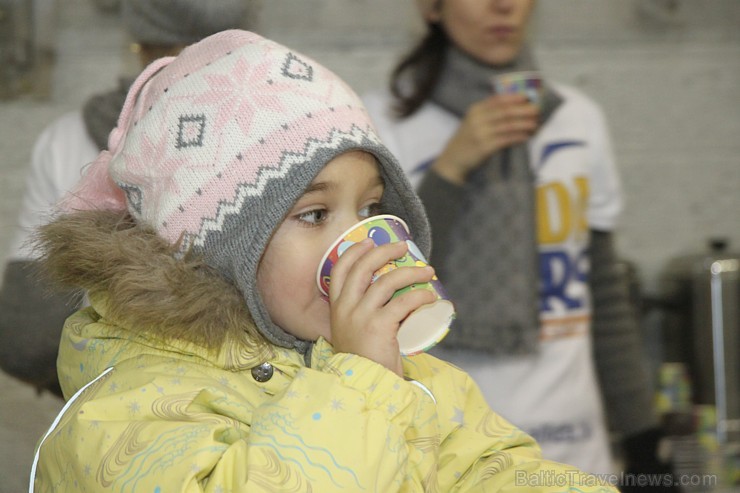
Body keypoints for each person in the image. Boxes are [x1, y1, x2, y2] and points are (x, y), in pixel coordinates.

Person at [29, 29, 619, 492]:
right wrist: (362, 385)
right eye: (315, 215)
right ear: (208, 248)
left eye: (368, 208)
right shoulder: (121, 416)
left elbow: (495, 471)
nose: (359, 242)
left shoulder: (410, 379)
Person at [362, 0, 674, 488]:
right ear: (431, 8)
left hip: (575, 441)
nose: (503, 5)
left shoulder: (578, 119)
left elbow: (606, 297)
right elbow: (377, 281)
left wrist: (642, 437)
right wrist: (451, 169)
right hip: (454, 447)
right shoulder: (384, 122)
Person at [0, 0, 258, 397]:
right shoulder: (279, 142)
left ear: (137, 43)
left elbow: (26, 338)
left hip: (98, 413)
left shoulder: (67, 140)